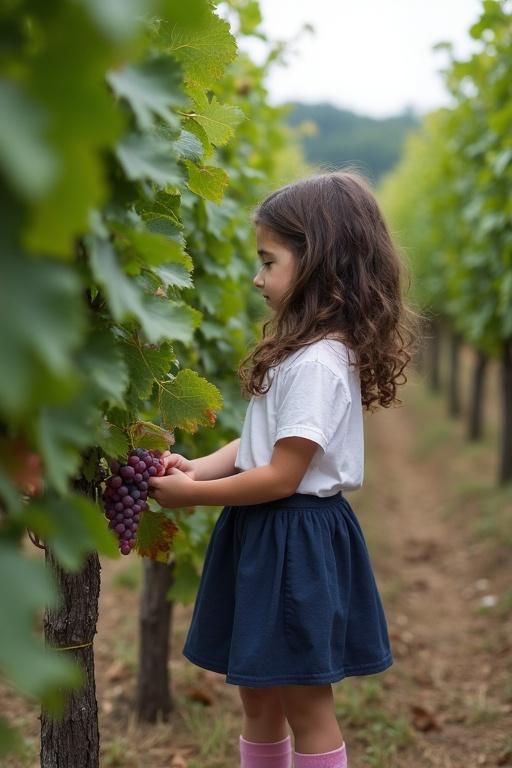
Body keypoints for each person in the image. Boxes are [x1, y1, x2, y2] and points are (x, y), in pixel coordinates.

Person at [148, 170, 420, 768]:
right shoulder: (300, 351)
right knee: (258, 694)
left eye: (268, 261)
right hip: (267, 534)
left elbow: (281, 476)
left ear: (321, 264)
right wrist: (197, 468)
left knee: (305, 700)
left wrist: (190, 499)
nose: (256, 277)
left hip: (295, 539)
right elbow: (257, 445)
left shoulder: (320, 363)